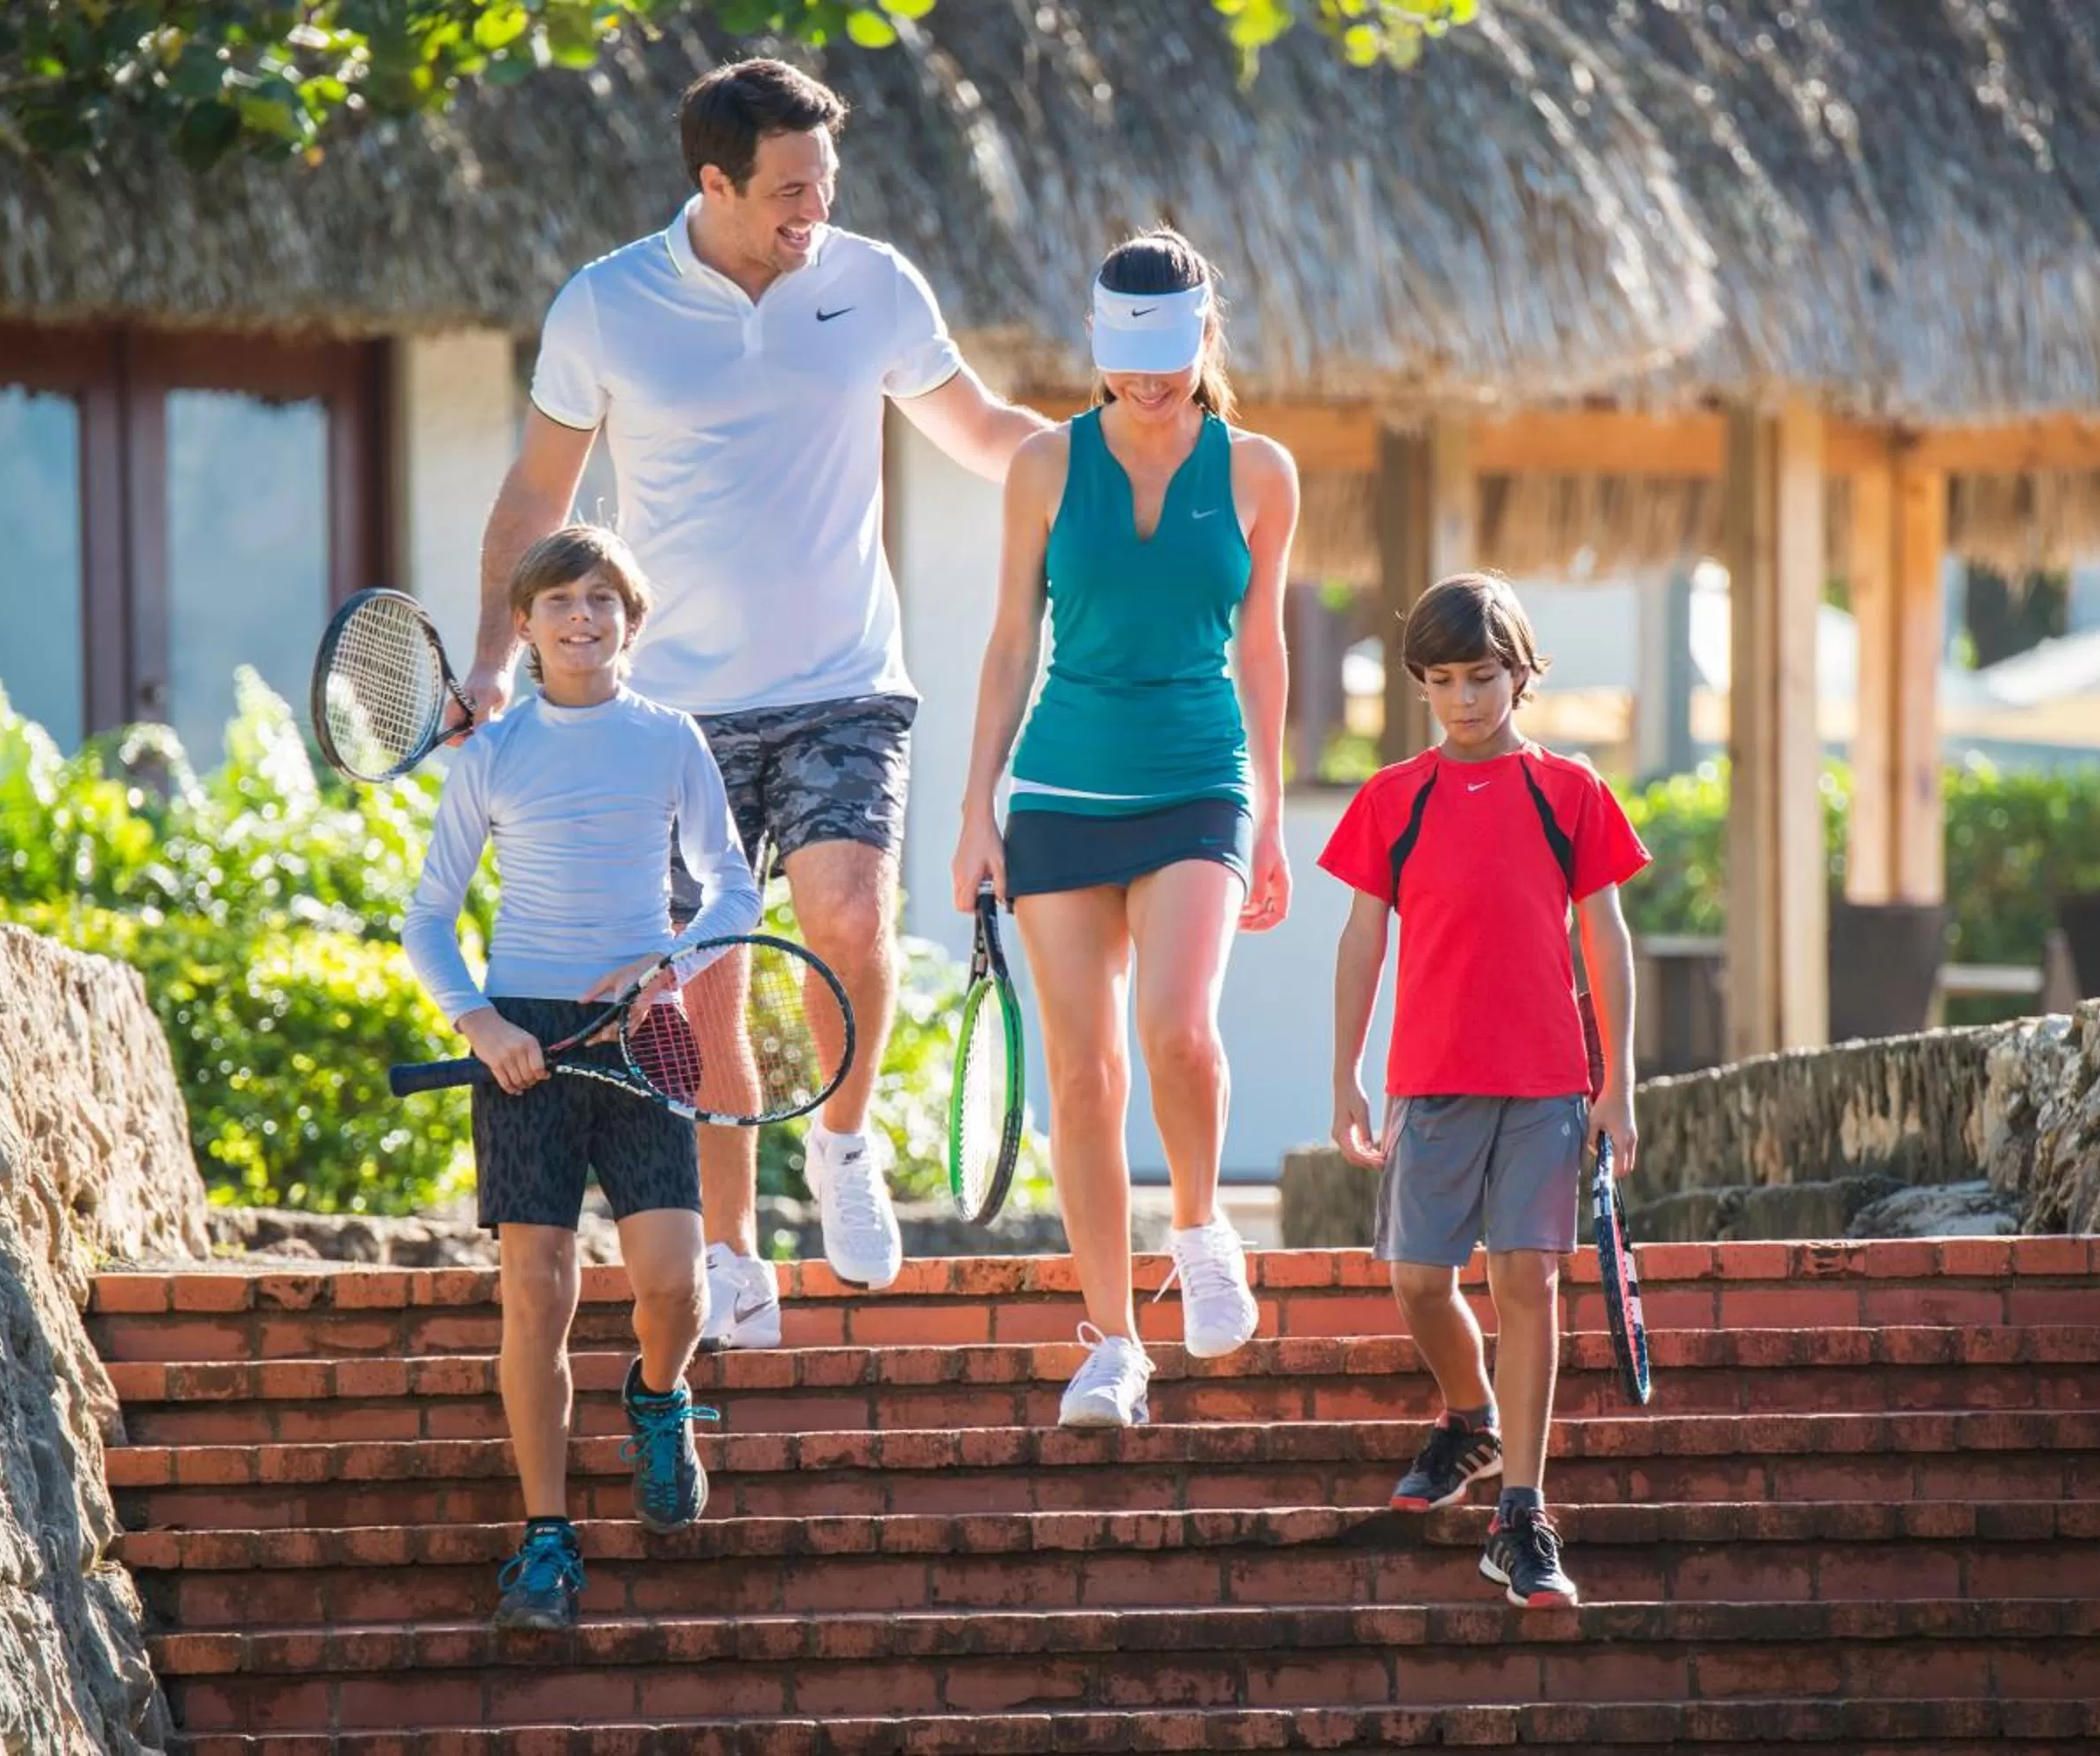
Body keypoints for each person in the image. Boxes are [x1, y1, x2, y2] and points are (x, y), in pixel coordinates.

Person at [469, 57, 1053, 1342]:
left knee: (848, 916)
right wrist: (494, 658)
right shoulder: (608, 305)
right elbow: (535, 500)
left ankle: (844, 1146)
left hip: (846, 683)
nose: (813, 213)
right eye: (788, 191)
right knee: (707, 987)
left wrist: (1115, 462)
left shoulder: (872, 283)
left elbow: (986, 430)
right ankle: (732, 1251)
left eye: (826, 186)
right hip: (672, 711)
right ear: (714, 181)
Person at [951, 227, 1298, 1427]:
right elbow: (1009, 643)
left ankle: (1203, 1232)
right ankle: (1111, 1344)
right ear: (1099, 346)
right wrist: (974, 811)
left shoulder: (1260, 473)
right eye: (1126, 358)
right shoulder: (1046, 467)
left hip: (1201, 776)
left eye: (1169, 355)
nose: (1147, 383)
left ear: (1206, 339)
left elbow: (1263, 649)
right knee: (1083, 1075)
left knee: (1179, 1035)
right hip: (1061, 791)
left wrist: (1275, 815)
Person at [401, 526, 763, 1631]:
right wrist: (477, 1020)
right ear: (525, 627)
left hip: (643, 1032)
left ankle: (658, 1398)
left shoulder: (670, 739)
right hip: (522, 1047)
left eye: (603, 600)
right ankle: (548, 1541)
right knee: (538, 1293)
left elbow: (733, 891)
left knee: (675, 1285)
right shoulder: (493, 754)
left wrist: (668, 966)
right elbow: (428, 919)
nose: (581, 619)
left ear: (630, 622)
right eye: (559, 602)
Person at [1320, 572, 1648, 1609]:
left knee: (1529, 1284)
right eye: (1446, 679)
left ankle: (1522, 1515)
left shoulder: (1572, 792)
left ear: (1520, 674)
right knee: (1418, 1282)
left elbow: (1607, 935)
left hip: (1550, 1083)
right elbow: (1363, 935)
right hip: (1429, 1083)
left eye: (1485, 676)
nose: (1466, 697)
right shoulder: (1394, 799)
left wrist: (1620, 1082)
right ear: (1422, 684)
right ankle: (1469, 1417)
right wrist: (1347, 1074)